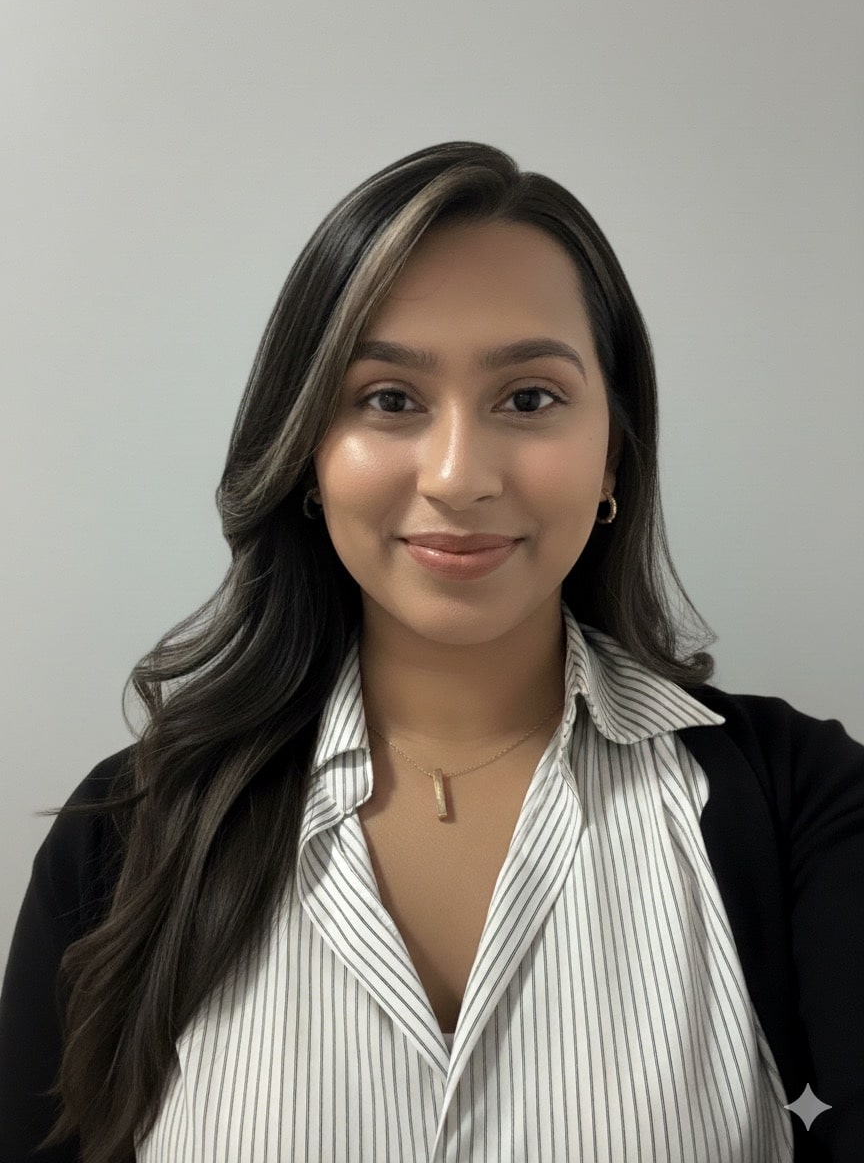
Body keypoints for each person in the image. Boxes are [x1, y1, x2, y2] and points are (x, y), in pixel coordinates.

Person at [0, 142, 861, 1163]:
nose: (459, 476)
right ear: (308, 455)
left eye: (530, 397)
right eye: (390, 399)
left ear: (613, 453)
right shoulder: (128, 839)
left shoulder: (797, 802)